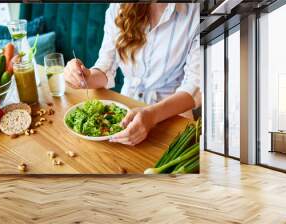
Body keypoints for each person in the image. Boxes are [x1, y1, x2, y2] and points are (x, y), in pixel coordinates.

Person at [64, 3, 200, 146]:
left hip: (173, 117)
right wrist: (83, 77)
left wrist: (152, 115)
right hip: (125, 114)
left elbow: (195, 87)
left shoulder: (199, 12)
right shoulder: (118, 7)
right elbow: (105, 67)